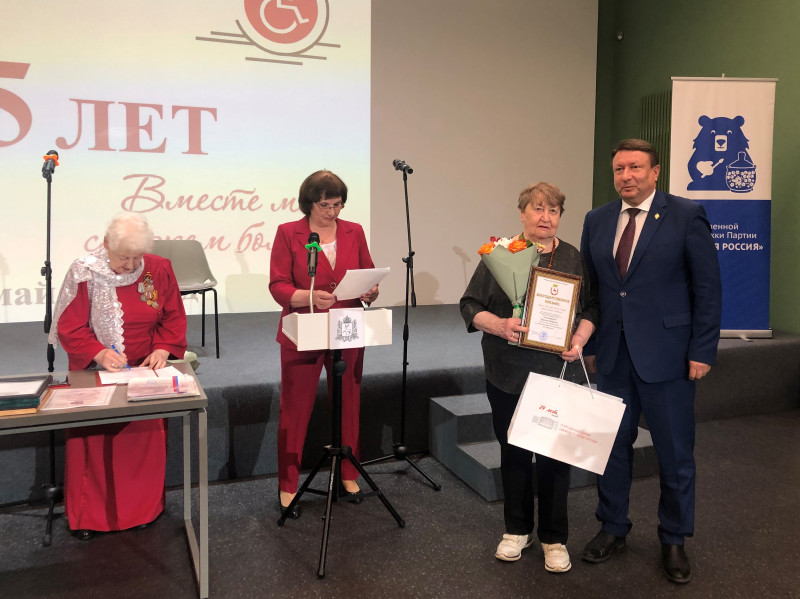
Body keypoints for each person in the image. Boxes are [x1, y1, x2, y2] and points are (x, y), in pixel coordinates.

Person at [579, 139, 722, 583]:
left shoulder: (686, 215)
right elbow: (593, 290)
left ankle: (674, 539)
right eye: (619, 169)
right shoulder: (597, 219)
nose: (627, 176)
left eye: (636, 167)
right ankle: (612, 526)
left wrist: (702, 349)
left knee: (674, 453)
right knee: (611, 449)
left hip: (669, 357)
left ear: (655, 172)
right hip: (613, 357)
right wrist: (588, 342)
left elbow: (708, 288)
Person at [460, 182, 598, 573]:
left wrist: (579, 338)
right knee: (515, 453)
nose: (545, 217)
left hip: (559, 372)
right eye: (537, 209)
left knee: (555, 458)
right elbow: (469, 305)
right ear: (522, 213)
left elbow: (592, 307)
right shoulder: (502, 253)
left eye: (553, 210)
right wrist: (499, 325)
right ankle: (516, 530)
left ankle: (554, 538)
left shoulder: (572, 257)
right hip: (508, 372)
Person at [49, 213, 187, 540]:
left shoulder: (158, 268)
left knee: (142, 443)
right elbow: (70, 327)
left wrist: (163, 348)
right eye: (124, 257)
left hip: (144, 372)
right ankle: (90, 517)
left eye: (136, 257)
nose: (130, 265)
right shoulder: (84, 272)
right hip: (97, 371)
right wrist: (98, 352)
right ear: (106, 244)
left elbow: (172, 316)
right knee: (94, 446)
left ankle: (142, 510)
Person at [269, 170, 379, 519]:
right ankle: (288, 484)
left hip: (347, 326)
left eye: (338, 205)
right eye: (325, 205)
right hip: (304, 326)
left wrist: (371, 291)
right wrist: (307, 296)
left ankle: (348, 473)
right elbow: (277, 285)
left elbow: (368, 273)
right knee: (295, 407)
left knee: (348, 401)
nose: (333, 212)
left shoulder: (354, 231)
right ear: (309, 204)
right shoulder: (288, 232)